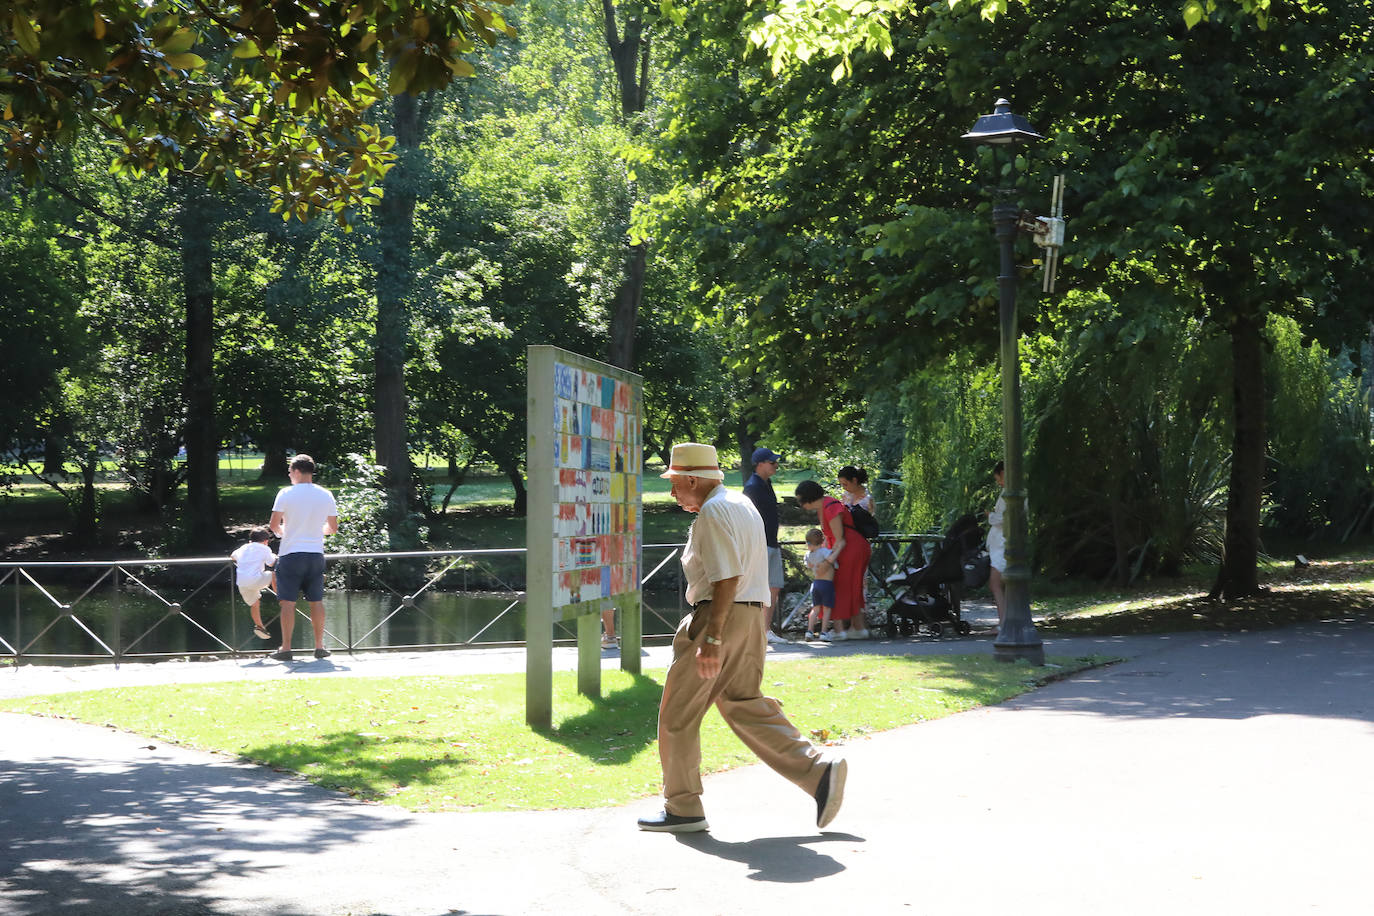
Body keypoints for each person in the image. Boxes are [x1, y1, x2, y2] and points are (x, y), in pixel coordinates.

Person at [637, 442, 847, 834]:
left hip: (721, 616)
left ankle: (682, 807)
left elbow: (725, 576)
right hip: (751, 617)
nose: (671, 493)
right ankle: (818, 772)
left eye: (675, 483)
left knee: (678, 716)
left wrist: (711, 637)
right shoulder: (739, 503)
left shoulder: (714, 512)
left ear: (693, 479)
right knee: (743, 703)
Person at [269, 454, 339, 662]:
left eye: (290, 472)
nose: (289, 475)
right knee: (316, 601)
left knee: (288, 603)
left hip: (291, 554)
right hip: (316, 554)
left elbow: (274, 525)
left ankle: (286, 648)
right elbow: (333, 528)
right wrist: (317, 531)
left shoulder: (286, 493)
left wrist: (285, 533)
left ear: (297, 471)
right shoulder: (326, 494)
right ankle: (319, 646)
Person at [794, 480, 871, 640]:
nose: (800, 504)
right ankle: (856, 628)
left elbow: (840, 540)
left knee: (842, 587)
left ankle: (844, 630)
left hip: (850, 549)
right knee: (849, 587)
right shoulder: (825, 506)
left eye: (801, 500)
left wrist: (827, 562)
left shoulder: (830, 507)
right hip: (847, 549)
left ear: (808, 498)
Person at [742, 446, 785, 645]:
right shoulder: (752, 487)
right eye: (772, 462)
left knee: (774, 586)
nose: (776, 465)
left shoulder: (766, 484)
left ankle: (765, 630)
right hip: (760, 544)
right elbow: (747, 518)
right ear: (760, 465)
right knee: (758, 588)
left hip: (771, 542)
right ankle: (754, 632)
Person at [230, 526, 276, 641]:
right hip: (256, 580)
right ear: (266, 541)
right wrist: (274, 556)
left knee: (255, 603)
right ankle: (280, 596)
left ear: (251, 540)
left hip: (242, 582)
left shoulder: (244, 547)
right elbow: (271, 563)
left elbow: (233, 557)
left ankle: (259, 626)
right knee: (274, 574)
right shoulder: (264, 548)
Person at [802, 527, 837, 641]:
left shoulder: (808, 554)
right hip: (827, 583)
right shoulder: (824, 552)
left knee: (815, 609)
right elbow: (832, 559)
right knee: (826, 609)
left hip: (816, 583)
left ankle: (809, 631)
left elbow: (808, 565)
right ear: (822, 541)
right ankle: (823, 632)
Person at [987, 460, 1007, 627]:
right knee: (996, 584)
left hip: (1003, 546)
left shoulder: (1011, 493)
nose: (999, 482)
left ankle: (1004, 623)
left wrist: (990, 517)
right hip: (999, 546)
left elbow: (1003, 519)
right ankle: (1004, 621)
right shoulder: (1006, 493)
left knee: (995, 583)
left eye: (998, 478)